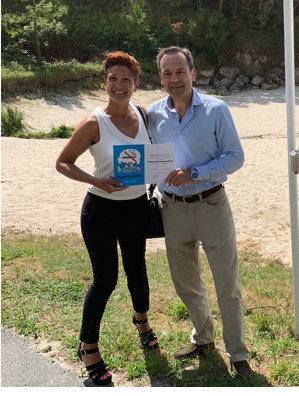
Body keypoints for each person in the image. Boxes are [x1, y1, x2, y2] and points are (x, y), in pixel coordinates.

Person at [55, 51, 159, 386]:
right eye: (113, 78)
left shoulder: (143, 114)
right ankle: (88, 346)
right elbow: (64, 162)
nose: (119, 85)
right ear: (105, 82)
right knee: (105, 280)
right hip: (100, 210)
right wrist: (96, 180)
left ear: (136, 84)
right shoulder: (93, 122)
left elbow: (158, 153)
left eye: (126, 79)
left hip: (136, 206)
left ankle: (141, 321)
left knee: (137, 267)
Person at [148, 46, 252, 378]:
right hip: (172, 209)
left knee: (227, 284)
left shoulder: (216, 109)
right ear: (161, 77)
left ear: (193, 73)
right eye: (167, 73)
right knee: (186, 283)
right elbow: (144, 156)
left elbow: (236, 157)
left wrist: (195, 173)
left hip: (211, 204)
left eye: (180, 71)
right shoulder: (152, 114)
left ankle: (237, 353)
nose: (174, 78)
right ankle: (203, 337)